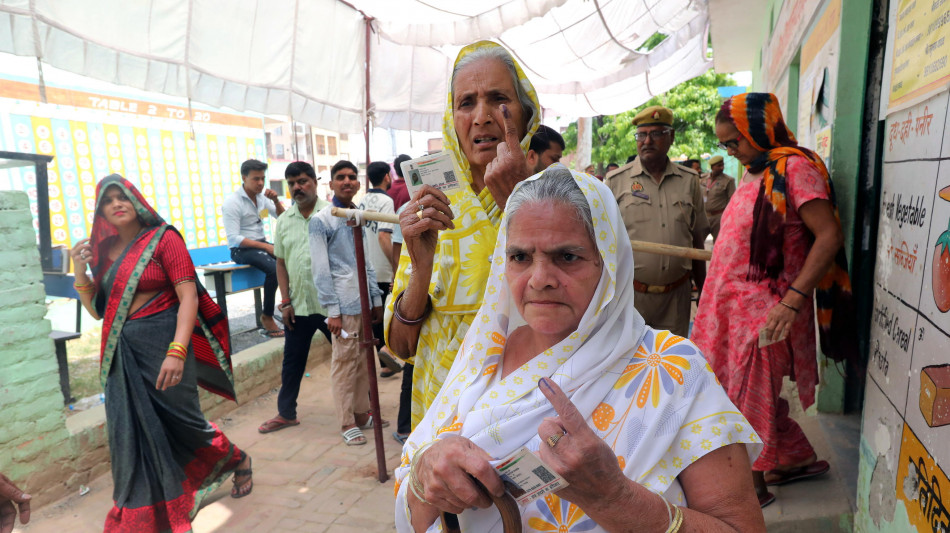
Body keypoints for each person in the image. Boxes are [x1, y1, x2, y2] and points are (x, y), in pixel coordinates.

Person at [394, 167, 765, 532]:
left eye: (567, 257)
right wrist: (423, 480)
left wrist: (616, 500)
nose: (540, 280)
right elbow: (418, 500)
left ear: (609, 262)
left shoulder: (672, 371)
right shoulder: (483, 352)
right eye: (520, 257)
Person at [692, 93, 855, 508]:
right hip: (729, 307)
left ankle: (752, 487)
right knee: (729, 389)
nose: (731, 152)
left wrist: (792, 301)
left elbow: (829, 235)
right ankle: (794, 458)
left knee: (750, 392)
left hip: (769, 310)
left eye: (736, 142)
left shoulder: (797, 169)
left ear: (761, 129)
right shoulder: (755, 171)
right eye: (725, 145)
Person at [70, 175, 252, 531]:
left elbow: (188, 297)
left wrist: (178, 350)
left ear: (136, 201)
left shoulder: (163, 238)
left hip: (166, 347)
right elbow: (98, 311)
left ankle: (238, 459)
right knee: (129, 433)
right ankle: (144, 507)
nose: (116, 204)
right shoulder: (105, 253)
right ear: (100, 211)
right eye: (108, 201)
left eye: (122, 196)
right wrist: (79, 270)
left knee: (187, 422)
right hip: (123, 357)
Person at [384, 41, 541, 427]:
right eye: (466, 102)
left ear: (527, 114)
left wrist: (522, 209)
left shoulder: (559, 198)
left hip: (525, 408)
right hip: (441, 410)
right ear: (451, 117)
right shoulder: (434, 205)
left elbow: (586, 321)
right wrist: (421, 270)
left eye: (499, 99)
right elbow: (403, 347)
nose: (482, 116)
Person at [606, 106, 709, 337]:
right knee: (630, 362)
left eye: (656, 134)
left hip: (677, 297)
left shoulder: (689, 181)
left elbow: (697, 240)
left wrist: (704, 290)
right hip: (631, 296)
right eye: (641, 135)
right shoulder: (616, 182)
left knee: (672, 362)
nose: (647, 141)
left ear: (671, 137)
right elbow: (603, 243)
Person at [310, 160, 386, 446]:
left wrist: (375, 298)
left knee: (364, 361)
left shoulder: (357, 214)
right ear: (331, 184)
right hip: (342, 305)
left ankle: (361, 413)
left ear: (358, 183)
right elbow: (320, 270)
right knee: (344, 364)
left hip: (363, 301)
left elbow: (364, 259)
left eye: (352, 177)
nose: (347, 181)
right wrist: (332, 311)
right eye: (340, 177)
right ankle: (346, 421)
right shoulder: (322, 220)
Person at [258, 161, 333, 434]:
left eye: (302, 181)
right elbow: (281, 263)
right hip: (298, 306)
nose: (297, 187)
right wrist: (285, 301)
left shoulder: (332, 214)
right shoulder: (285, 221)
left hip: (331, 307)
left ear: (315, 182)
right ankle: (286, 413)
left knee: (351, 359)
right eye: (291, 184)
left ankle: (364, 409)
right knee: (292, 362)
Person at [222, 159, 285, 337]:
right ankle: (267, 316)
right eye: (255, 179)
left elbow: (283, 217)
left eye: (262, 179)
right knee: (274, 269)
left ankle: (287, 303)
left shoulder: (262, 198)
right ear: (244, 178)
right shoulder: (232, 203)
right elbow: (234, 238)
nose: (260, 183)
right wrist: (266, 247)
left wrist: (276, 201)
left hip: (261, 245)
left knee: (292, 258)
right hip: (241, 250)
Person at [360, 161, 402, 378]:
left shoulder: (361, 201)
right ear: (387, 176)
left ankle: (383, 362)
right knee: (388, 311)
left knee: (375, 316)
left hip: (366, 266)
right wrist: (397, 267)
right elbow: (384, 235)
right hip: (383, 268)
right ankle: (389, 356)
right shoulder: (386, 201)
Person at [703, 155, 736, 241]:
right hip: (703, 216)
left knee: (719, 242)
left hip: (718, 217)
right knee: (698, 243)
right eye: (719, 166)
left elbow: (732, 201)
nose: (722, 168)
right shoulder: (703, 179)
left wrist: (729, 219)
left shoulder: (729, 180)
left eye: (723, 165)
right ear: (712, 167)